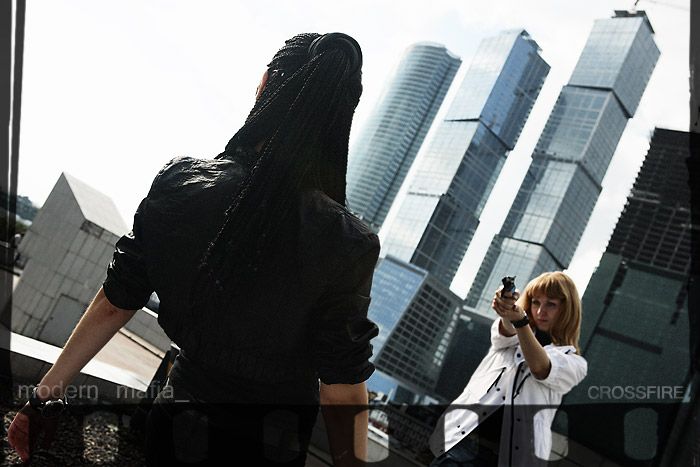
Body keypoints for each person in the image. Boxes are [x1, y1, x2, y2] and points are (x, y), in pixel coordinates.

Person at [8, 32, 379, 466]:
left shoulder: (181, 184)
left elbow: (115, 303)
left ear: (263, 87)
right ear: (339, 118)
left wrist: (42, 399)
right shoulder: (347, 242)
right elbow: (341, 385)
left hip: (174, 427)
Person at [428, 272, 588, 466]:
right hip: (460, 445)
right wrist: (509, 308)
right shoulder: (512, 336)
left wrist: (520, 321)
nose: (540, 311)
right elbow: (507, 330)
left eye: (551, 304)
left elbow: (541, 367)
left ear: (567, 310)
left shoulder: (574, 363)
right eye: (536, 302)